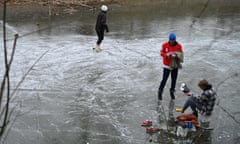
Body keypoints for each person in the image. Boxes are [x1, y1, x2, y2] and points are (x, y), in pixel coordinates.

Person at [158, 33, 183, 100]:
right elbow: (161, 53)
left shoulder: (179, 46)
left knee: (174, 80)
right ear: (169, 40)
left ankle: (172, 91)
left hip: (175, 66)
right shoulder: (165, 45)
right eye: (171, 40)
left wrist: (177, 56)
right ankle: (160, 91)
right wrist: (167, 55)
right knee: (164, 79)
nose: (172, 41)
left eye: (173, 40)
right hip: (166, 65)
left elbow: (181, 54)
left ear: (175, 40)